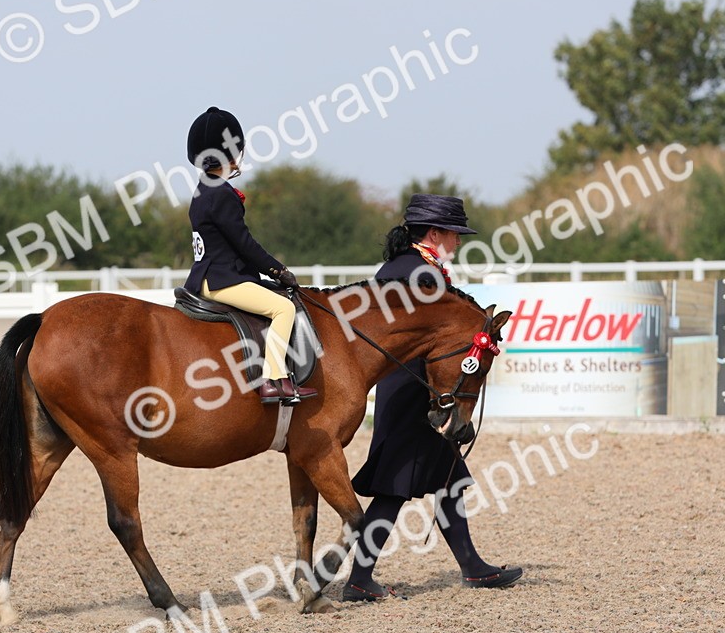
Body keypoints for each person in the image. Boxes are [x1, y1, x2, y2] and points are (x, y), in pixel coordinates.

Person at [344, 194, 523, 601]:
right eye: (455, 234)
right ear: (435, 232)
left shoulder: (407, 267)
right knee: (394, 488)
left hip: (412, 386)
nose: (458, 242)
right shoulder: (421, 276)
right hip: (414, 391)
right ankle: (357, 580)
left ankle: (471, 567)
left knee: (447, 479)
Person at [183, 106, 316, 405]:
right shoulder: (222, 194)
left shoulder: (203, 190)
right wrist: (278, 270)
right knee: (284, 309)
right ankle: (274, 380)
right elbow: (245, 244)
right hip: (223, 279)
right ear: (232, 153)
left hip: (205, 276)